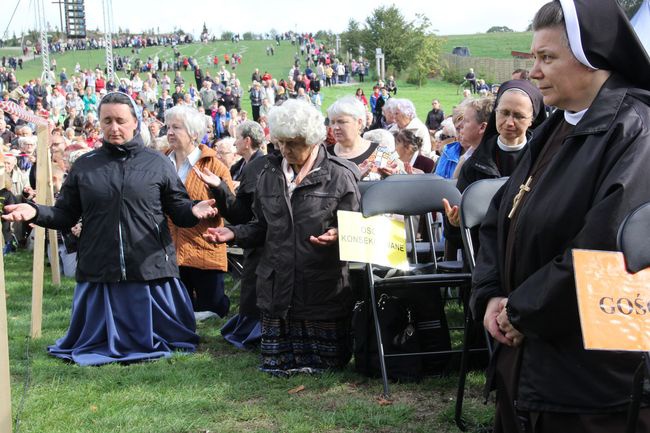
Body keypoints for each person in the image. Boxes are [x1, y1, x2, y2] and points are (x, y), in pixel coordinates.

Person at [470, 1, 650, 432]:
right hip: (527, 358)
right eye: (534, 57)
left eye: (547, 57)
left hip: (587, 381)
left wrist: (522, 312)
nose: (533, 71)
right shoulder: (555, 127)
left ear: (594, 59)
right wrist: (492, 295)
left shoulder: (635, 131)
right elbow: (500, 216)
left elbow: (606, 249)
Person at [3, 92, 219, 366]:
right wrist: (35, 210)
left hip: (149, 266)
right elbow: (65, 214)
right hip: (100, 267)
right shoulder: (85, 165)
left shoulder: (158, 163)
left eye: (120, 120)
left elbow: (179, 209)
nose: (114, 127)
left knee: (175, 339)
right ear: (100, 124)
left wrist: (194, 209)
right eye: (107, 121)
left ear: (134, 123)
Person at [203, 99, 361, 376]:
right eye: (280, 143)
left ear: (312, 140)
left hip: (321, 283)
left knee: (326, 366)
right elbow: (262, 225)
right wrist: (234, 233)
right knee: (278, 364)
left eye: (294, 143)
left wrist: (339, 233)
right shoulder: (268, 175)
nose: (286, 150)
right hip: (277, 283)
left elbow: (357, 226)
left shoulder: (339, 176)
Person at [193, 121, 267, 349]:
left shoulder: (259, 165)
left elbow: (247, 215)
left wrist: (221, 189)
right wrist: (220, 187)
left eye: (236, 139)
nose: (234, 143)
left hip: (262, 240)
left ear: (247, 141)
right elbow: (241, 212)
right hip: (252, 235)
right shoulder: (249, 165)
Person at [164, 105, 234, 322]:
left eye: (177, 127)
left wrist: (215, 203)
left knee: (213, 313)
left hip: (204, 249)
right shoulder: (160, 163)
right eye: (168, 127)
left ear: (194, 133)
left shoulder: (214, 165)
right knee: (175, 314)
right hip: (167, 252)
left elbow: (231, 207)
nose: (170, 132)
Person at [327, 96, 402, 180]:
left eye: (341, 122)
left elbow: (403, 178)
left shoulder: (382, 151)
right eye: (332, 122)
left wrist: (395, 175)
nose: (335, 127)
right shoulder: (325, 155)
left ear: (359, 123)